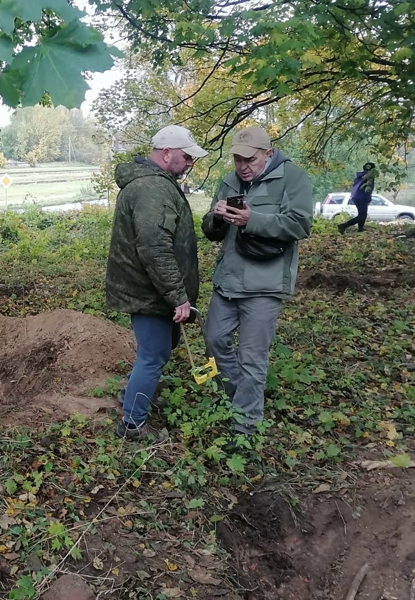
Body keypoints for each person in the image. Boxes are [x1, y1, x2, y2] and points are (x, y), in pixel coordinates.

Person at [201, 126, 313, 442]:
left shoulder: (292, 177)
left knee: (252, 357)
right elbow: (210, 229)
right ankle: (236, 398)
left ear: (267, 152)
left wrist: (254, 220)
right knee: (214, 339)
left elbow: (300, 224)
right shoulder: (229, 180)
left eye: (249, 159)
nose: (242, 166)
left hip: (265, 283)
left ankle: (245, 425)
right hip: (228, 280)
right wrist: (218, 218)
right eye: (237, 159)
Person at [105, 125, 208, 441]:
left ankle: (134, 397)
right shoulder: (152, 188)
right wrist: (178, 296)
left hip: (153, 289)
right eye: (186, 157)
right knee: (153, 355)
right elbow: (154, 246)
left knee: (161, 349)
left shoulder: (154, 183)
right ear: (166, 154)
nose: (190, 163)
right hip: (149, 291)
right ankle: (132, 424)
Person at [338, 162, 376, 233]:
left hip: (356, 197)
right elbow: (368, 189)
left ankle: (360, 229)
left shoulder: (360, 176)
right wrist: (368, 199)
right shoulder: (368, 177)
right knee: (362, 215)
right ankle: (343, 226)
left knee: (362, 214)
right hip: (361, 198)